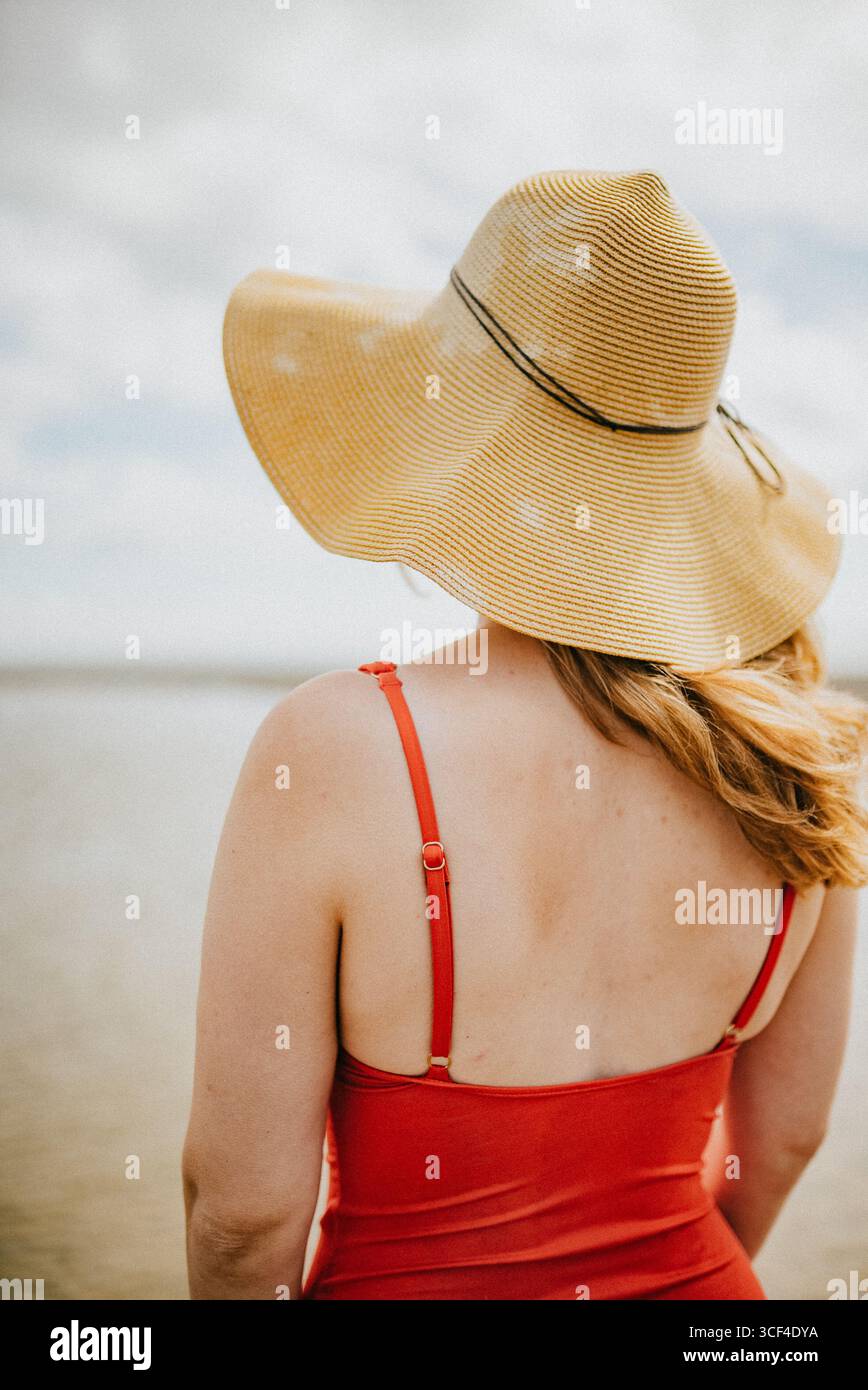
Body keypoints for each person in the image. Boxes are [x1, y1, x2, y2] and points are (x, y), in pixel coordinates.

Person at [183, 170, 867, 1299]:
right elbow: (783, 1142)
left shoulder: (340, 750)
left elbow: (243, 1213)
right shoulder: (805, 771)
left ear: (456, 426)